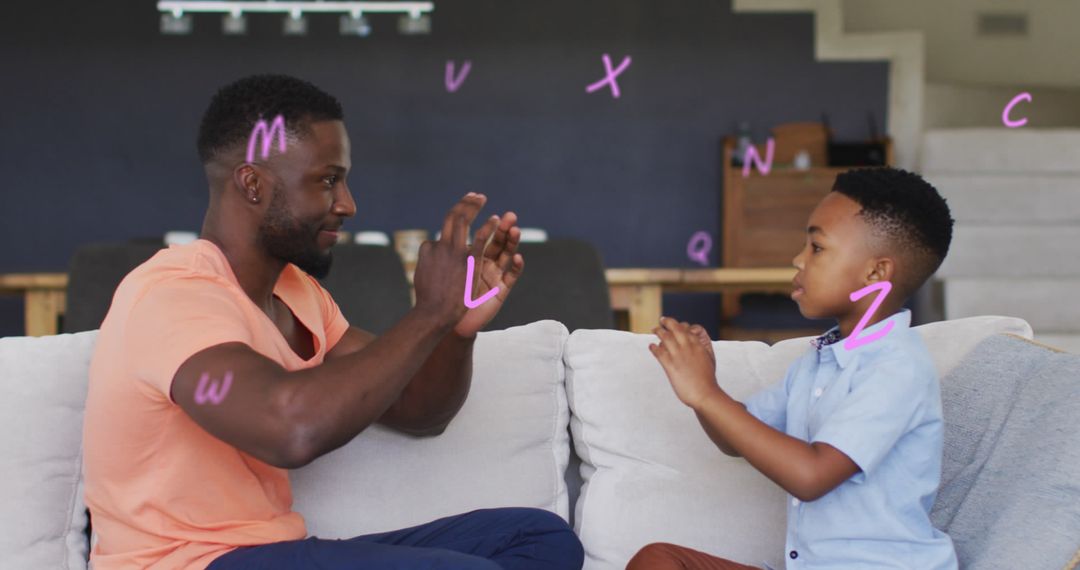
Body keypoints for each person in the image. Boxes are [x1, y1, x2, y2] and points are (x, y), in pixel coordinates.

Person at [82, 74, 584, 570]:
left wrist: (453, 327)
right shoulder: (173, 296)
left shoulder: (298, 294)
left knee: (538, 539)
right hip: (186, 564)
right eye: (327, 180)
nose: (348, 203)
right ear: (252, 184)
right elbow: (290, 429)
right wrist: (428, 310)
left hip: (268, 554)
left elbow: (420, 410)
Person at [632, 167, 959, 569]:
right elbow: (733, 439)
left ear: (875, 273)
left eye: (817, 248)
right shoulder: (818, 360)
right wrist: (705, 384)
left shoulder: (897, 366)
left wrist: (706, 394)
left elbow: (812, 476)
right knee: (659, 561)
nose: (798, 259)